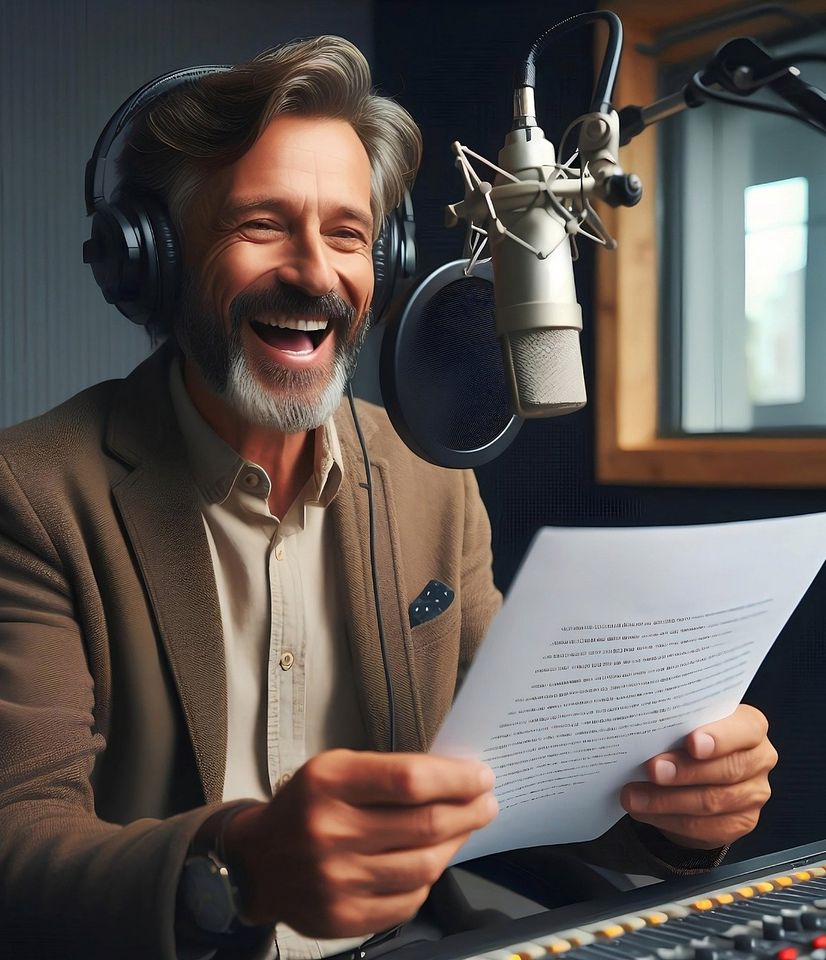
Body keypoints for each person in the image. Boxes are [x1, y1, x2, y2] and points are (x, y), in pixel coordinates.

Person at [0, 35, 777, 960]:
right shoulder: (36, 492)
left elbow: (516, 773)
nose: (316, 274)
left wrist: (676, 810)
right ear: (155, 259)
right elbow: (18, 839)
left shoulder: (431, 481)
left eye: (347, 233)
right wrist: (234, 868)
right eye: (260, 225)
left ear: (389, 258)